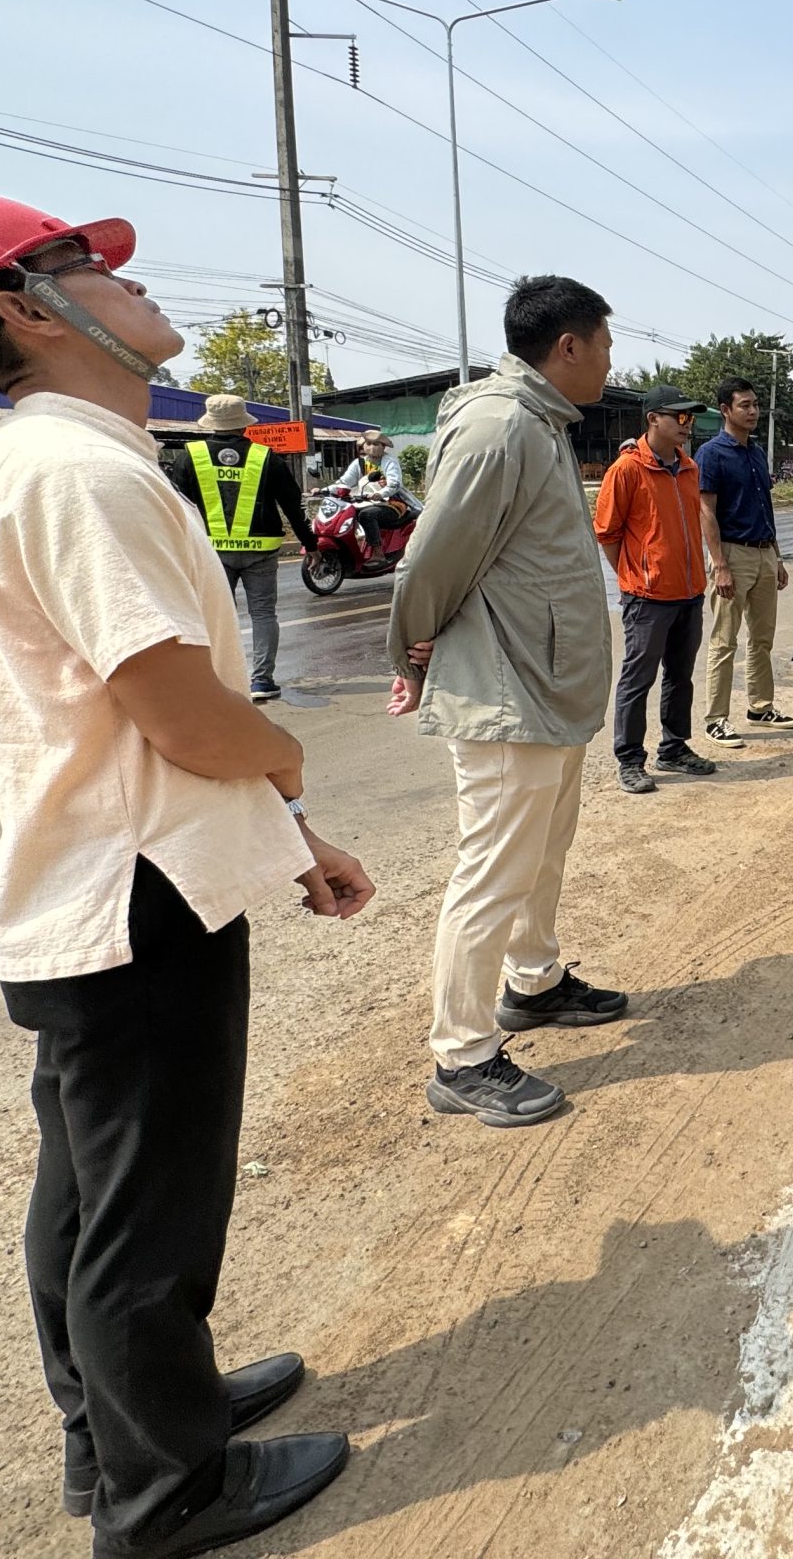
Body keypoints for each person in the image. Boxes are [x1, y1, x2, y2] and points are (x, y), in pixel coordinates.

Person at [0, 187, 372, 1556]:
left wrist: (282, 838)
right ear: (23, 310)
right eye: (91, 270)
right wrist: (295, 766)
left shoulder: (52, 462)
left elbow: (132, 734)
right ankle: (164, 1493)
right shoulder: (80, 474)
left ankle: (121, 1426)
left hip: (104, 881)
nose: (135, 288)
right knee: (150, 1219)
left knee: (87, 1194)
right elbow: (183, 717)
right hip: (142, 901)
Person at [388, 276, 630, 1132]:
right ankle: (463, 1054)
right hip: (504, 688)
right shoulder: (500, 427)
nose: (610, 359)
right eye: (605, 342)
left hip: (543, 682)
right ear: (568, 345)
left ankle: (534, 982)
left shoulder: (539, 423)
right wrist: (409, 652)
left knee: (542, 852)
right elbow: (433, 559)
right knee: (493, 870)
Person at [594, 389, 715, 795]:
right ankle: (629, 759)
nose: (686, 426)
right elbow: (608, 533)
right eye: (679, 418)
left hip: (689, 592)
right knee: (637, 679)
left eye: (690, 419)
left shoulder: (689, 468)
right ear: (652, 419)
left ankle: (674, 748)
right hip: (647, 597)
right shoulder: (627, 470)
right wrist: (634, 576)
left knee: (680, 676)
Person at [161, 393, 311, 703]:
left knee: (216, 617)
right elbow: (294, 506)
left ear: (210, 423)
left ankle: (221, 680)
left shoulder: (190, 457)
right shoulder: (265, 456)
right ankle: (262, 681)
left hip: (212, 553)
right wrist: (312, 545)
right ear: (244, 424)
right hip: (261, 551)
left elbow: (176, 507)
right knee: (263, 615)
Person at [695, 375, 793, 746]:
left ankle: (760, 706)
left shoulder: (756, 452)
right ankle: (716, 719)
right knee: (724, 641)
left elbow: (764, 506)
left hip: (764, 553)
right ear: (726, 410)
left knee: (762, 638)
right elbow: (706, 511)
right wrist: (719, 563)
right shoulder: (711, 454)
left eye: (755, 404)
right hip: (732, 555)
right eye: (745, 405)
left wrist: (777, 556)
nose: (753, 411)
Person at [331, 429, 415, 565]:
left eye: (376, 444)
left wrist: (380, 494)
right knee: (346, 514)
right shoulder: (359, 464)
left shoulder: (390, 462)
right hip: (364, 502)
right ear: (363, 445)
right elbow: (344, 482)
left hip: (392, 504)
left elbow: (394, 484)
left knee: (367, 515)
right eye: (368, 443)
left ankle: (378, 553)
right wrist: (322, 490)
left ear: (383, 447)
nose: (371, 447)